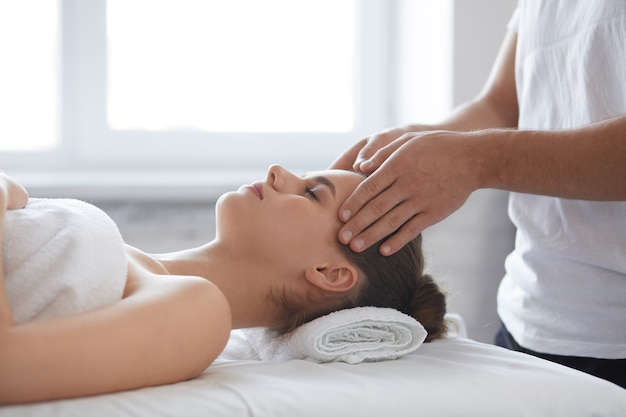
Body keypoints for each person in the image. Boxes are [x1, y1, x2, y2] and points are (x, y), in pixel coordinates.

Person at [331, 0, 626, 388]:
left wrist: (477, 161)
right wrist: (418, 141)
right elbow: (502, 105)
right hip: (532, 321)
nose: (274, 174)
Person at [0, 165, 447, 404]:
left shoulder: (196, 310)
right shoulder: (133, 262)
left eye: (311, 192)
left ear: (329, 275)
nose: (277, 172)